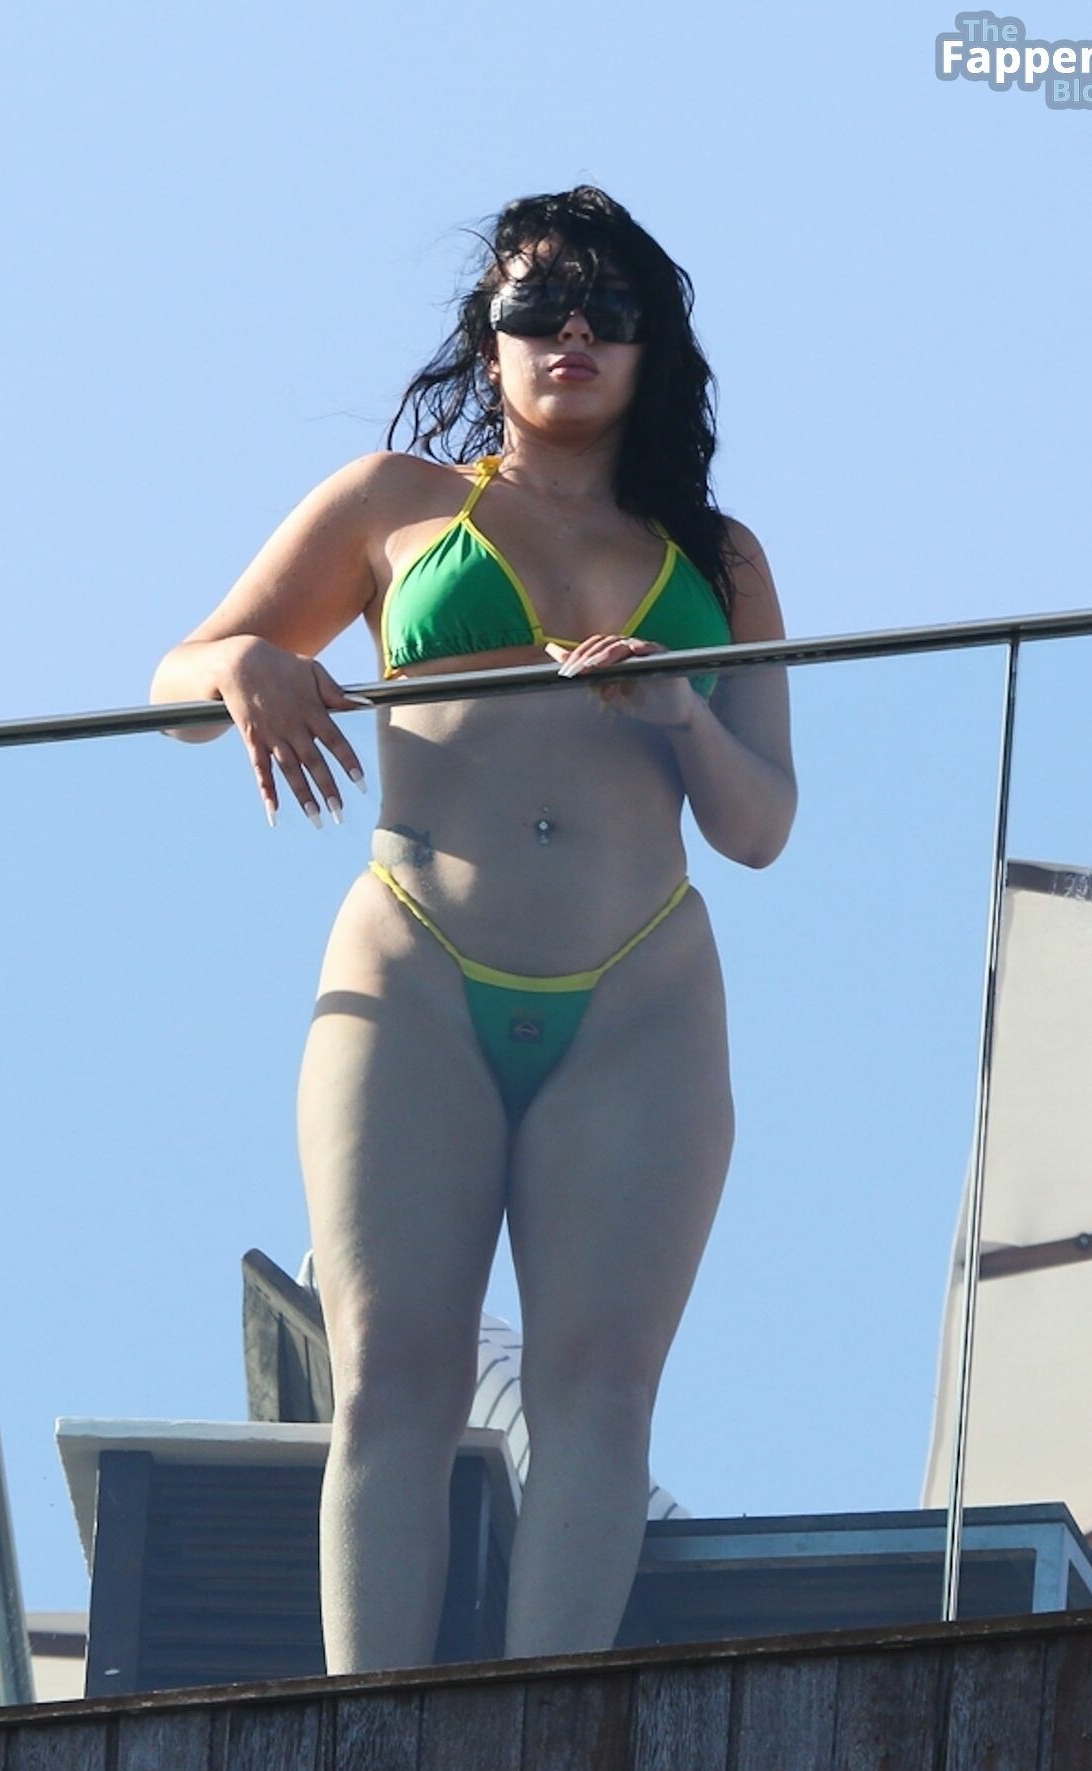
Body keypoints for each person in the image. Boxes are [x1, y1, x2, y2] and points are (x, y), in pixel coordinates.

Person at [151, 186, 797, 1674]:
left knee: (601, 1388)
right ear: (488, 337)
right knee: (391, 1376)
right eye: (536, 303)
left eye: (608, 308)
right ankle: (373, 1740)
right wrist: (244, 663)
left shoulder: (719, 556)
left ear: (652, 346)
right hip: (415, 967)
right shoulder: (393, 501)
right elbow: (175, 681)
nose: (572, 330)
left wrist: (678, 707)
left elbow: (760, 824)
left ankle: (538, 1735)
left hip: (640, 991)